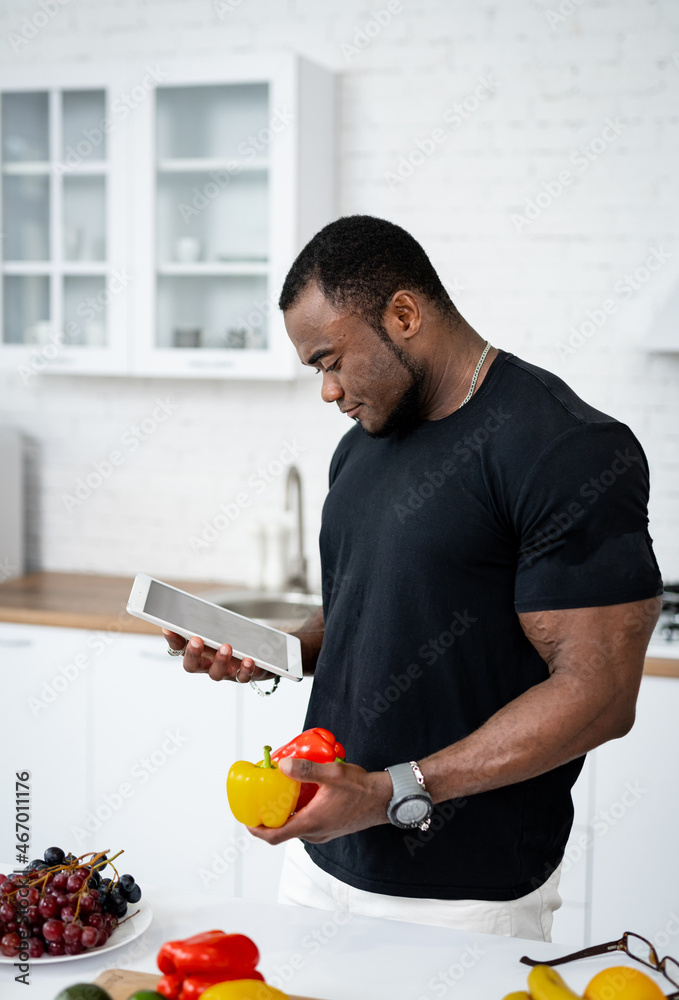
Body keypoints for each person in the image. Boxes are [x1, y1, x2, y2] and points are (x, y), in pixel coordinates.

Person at [164, 216, 662, 940]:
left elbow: (599, 694)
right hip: (321, 857)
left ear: (403, 314)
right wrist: (275, 650)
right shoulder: (362, 447)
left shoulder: (564, 447)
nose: (329, 391)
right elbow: (364, 616)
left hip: (465, 894)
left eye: (331, 360)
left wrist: (391, 792)